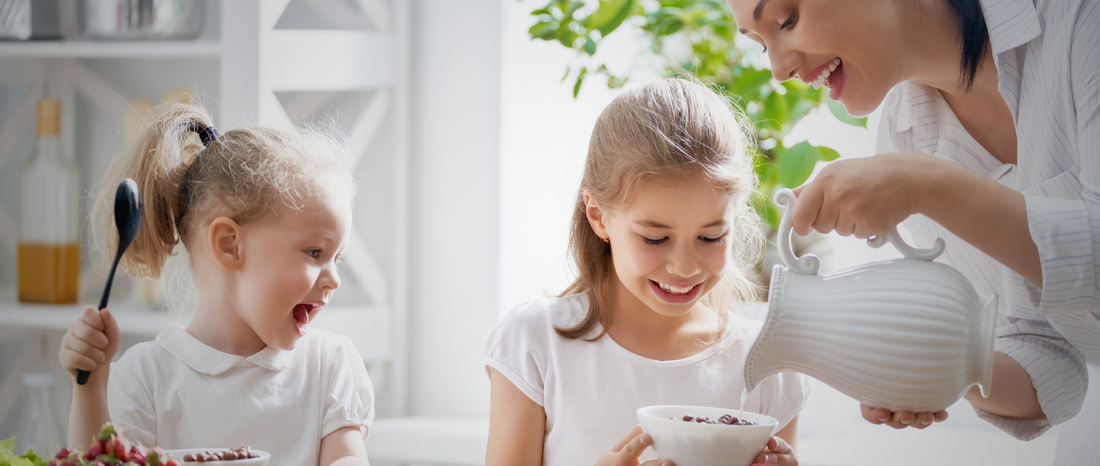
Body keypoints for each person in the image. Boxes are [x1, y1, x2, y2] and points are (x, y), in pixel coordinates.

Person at [727, 0, 1099, 462]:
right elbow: (1052, 361)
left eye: (787, 20)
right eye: (761, 45)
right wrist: (940, 366)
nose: (780, 70)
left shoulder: (1080, 21)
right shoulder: (905, 138)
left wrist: (928, 186)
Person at [483, 78, 811, 466]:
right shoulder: (535, 343)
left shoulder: (768, 361)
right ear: (598, 217)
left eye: (711, 237)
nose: (685, 267)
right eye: (655, 239)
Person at [58, 103, 374, 466]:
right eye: (315, 251)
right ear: (229, 244)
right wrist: (91, 387)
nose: (333, 278)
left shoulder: (329, 366)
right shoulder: (144, 378)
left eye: (338, 258)